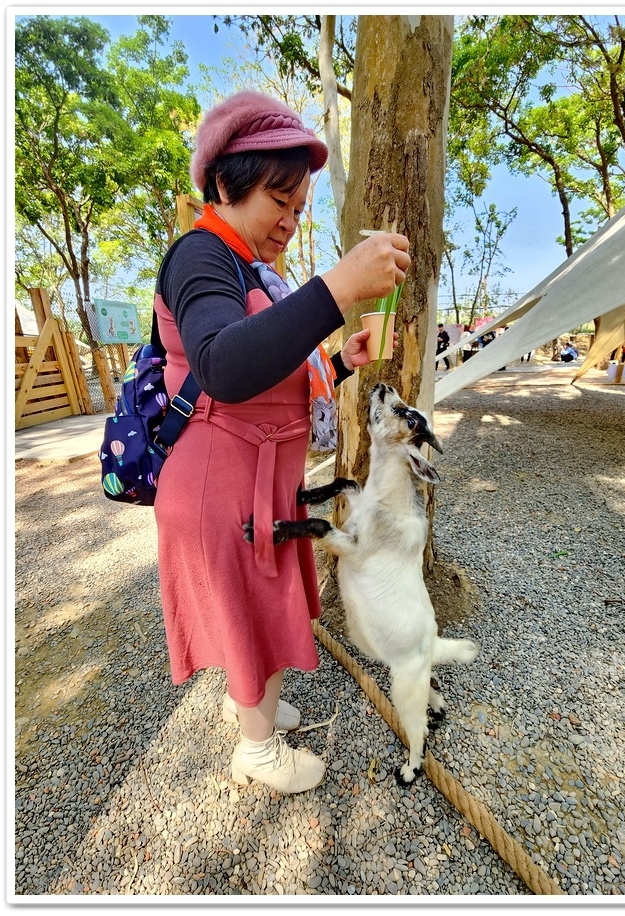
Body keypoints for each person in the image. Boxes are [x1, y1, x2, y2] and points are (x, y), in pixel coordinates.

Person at [152, 90, 410, 794]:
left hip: (257, 480)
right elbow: (225, 367)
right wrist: (336, 287)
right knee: (247, 607)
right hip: (219, 483)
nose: (291, 224)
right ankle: (256, 750)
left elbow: (270, 371)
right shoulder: (200, 255)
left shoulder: (249, 268)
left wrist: (337, 363)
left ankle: (256, 706)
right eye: (280, 201)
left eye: (300, 209)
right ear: (229, 181)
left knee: (262, 604)